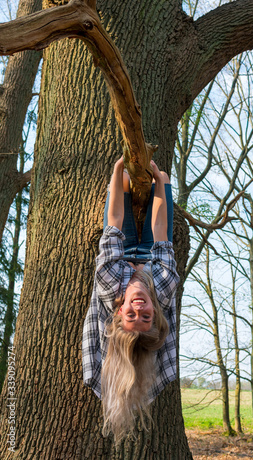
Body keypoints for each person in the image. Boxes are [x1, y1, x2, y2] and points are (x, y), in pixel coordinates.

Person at [82, 157, 179, 442]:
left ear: (119, 310)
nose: (139, 308)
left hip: (121, 250)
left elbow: (112, 223)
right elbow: (161, 232)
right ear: (156, 314)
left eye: (131, 316)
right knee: (162, 177)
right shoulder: (163, 285)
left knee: (122, 179)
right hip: (152, 251)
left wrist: (115, 170)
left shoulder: (109, 282)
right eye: (146, 316)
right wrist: (160, 186)